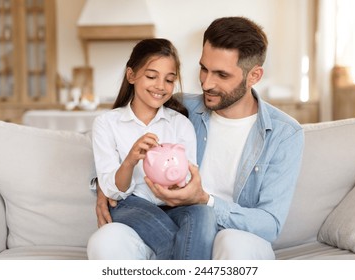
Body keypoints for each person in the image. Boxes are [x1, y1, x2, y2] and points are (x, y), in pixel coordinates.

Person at [87, 16, 304, 260]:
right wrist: (105, 188)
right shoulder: (181, 106)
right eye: (203, 69)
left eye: (221, 75)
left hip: (231, 233)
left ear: (254, 75)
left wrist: (206, 200)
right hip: (170, 223)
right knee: (105, 241)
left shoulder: (284, 134)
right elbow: (115, 136)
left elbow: (270, 224)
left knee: (233, 245)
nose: (206, 83)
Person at [91, 38, 217, 260]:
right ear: (131, 76)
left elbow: (188, 176)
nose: (160, 86)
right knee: (175, 241)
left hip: (175, 205)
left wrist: (177, 177)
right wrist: (130, 160)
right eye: (151, 76)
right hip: (129, 204)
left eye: (169, 80)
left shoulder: (180, 124)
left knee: (204, 216)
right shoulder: (107, 123)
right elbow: (112, 190)